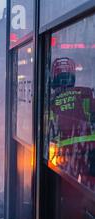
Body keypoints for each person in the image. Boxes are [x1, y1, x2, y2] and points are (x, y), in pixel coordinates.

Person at [48, 57, 95, 189]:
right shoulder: (85, 93)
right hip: (90, 149)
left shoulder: (50, 101)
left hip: (66, 152)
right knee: (89, 189)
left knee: (68, 188)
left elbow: (47, 129)